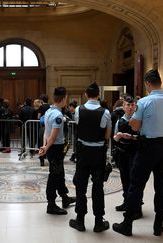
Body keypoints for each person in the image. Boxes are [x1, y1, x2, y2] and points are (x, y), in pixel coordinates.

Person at [112, 69, 163, 237]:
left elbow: (134, 126)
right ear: (160, 82)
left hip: (148, 147)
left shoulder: (145, 102)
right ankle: (158, 225)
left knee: (136, 184)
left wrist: (138, 118)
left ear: (148, 83)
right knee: (162, 185)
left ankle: (127, 223)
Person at [68, 82, 111, 232]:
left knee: (81, 186)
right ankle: (99, 221)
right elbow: (107, 135)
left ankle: (80, 220)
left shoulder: (79, 110)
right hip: (98, 153)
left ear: (86, 94)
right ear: (98, 95)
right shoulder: (105, 112)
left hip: (83, 153)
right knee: (98, 187)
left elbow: (79, 127)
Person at [38, 87, 76, 215]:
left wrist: (44, 146)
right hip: (55, 148)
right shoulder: (58, 115)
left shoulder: (49, 111)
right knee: (54, 175)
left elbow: (46, 132)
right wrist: (47, 147)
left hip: (50, 147)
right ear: (64, 98)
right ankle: (51, 204)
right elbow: (53, 136)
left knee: (60, 174)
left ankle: (65, 198)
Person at [112, 95, 140, 215]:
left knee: (135, 180)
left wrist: (132, 137)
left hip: (134, 153)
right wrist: (118, 136)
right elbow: (114, 138)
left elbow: (143, 137)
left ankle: (136, 207)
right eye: (127, 105)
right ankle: (126, 202)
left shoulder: (139, 120)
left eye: (132, 105)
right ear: (123, 107)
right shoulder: (120, 120)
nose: (129, 107)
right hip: (122, 153)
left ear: (135, 107)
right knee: (125, 178)